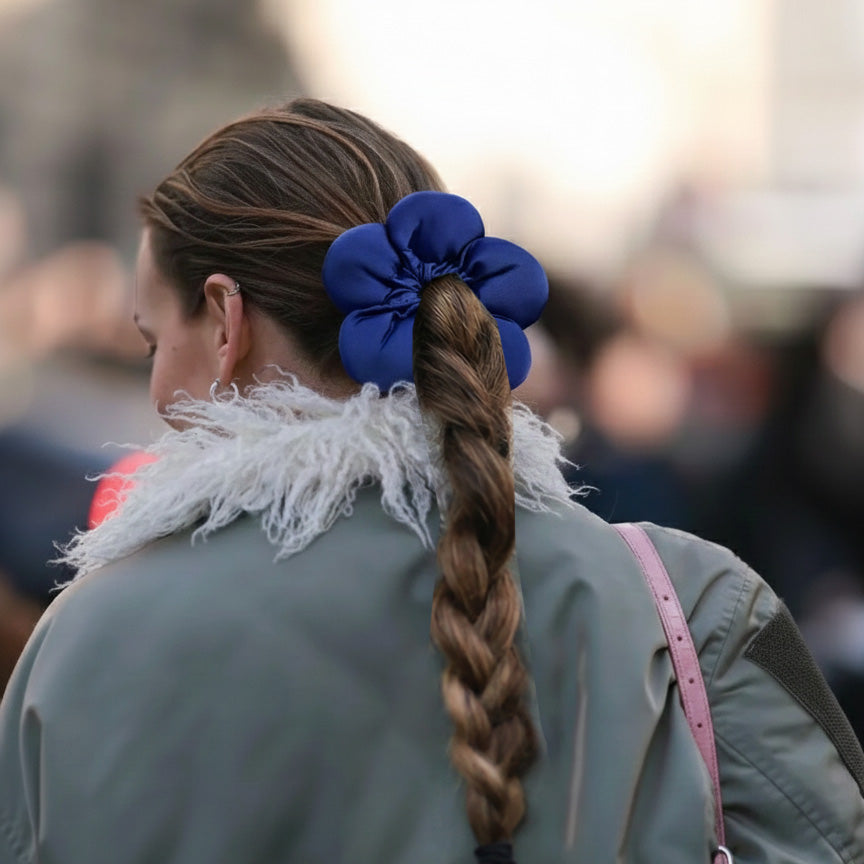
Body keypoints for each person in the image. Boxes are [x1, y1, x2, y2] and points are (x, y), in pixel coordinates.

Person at [0, 99, 862, 864]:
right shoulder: (691, 605)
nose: (155, 388)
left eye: (155, 341)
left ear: (226, 321)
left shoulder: (88, 642)